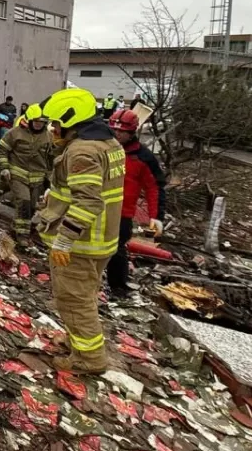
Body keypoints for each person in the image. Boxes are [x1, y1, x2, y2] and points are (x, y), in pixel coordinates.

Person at [35, 88, 125, 373]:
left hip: (81, 243)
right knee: (84, 296)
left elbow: (88, 200)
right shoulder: (108, 143)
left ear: (71, 121)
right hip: (103, 239)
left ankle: (88, 359)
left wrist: (63, 241)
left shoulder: (82, 151)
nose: (52, 129)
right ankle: (78, 341)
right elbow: (89, 188)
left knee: (74, 299)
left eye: (56, 123)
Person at [106, 110, 166, 299]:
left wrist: (156, 216)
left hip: (123, 213)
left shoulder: (143, 157)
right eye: (115, 130)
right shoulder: (101, 147)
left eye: (122, 132)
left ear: (132, 132)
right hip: (97, 207)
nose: (118, 135)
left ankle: (117, 287)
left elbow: (154, 187)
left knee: (117, 251)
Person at [0, 103, 53, 237]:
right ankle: (21, 235)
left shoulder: (49, 137)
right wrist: (4, 168)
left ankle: (18, 227)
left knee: (33, 206)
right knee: (23, 200)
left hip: (38, 179)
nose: (39, 124)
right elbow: (2, 149)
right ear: (29, 120)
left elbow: (51, 158)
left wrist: (50, 178)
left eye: (42, 122)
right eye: (36, 121)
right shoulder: (15, 133)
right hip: (17, 174)